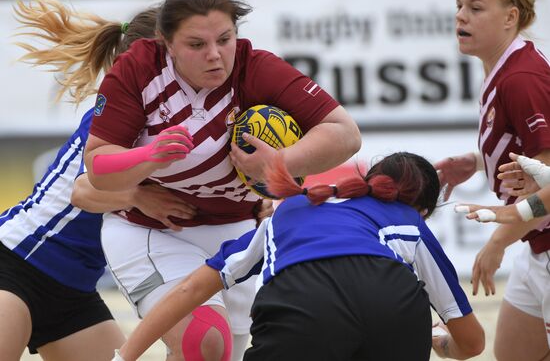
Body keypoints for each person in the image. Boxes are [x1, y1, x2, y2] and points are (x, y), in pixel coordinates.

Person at [24, 0, 360, 360]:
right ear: (165, 43)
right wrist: (146, 165)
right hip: (145, 235)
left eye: (224, 39)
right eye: (197, 45)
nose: (215, 55)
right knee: (205, 342)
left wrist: (279, 165)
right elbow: (90, 179)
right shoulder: (135, 76)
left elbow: (345, 133)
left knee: (215, 351)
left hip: (234, 236)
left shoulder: (259, 68)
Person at [6, 0, 272, 361]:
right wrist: (137, 197)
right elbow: (82, 191)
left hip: (74, 290)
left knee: (198, 344)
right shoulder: (115, 125)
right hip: (17, 262)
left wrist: (257, 200)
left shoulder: (195, 119)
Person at [111, 151, 485, 361]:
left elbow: (190, 290)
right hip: (393, 309)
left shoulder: (290, 211)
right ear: (421, 210)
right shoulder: (409, 224)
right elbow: (472, 343)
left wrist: (124, 356)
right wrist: (436, 340)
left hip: (304, 305)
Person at [434, 0, 550, 359]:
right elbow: (533, 157)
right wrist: (480, 159)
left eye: (475, 8)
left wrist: (497, 242)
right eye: (458, 6)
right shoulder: (507, 68)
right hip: (536, 244)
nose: (460, 16)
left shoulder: (521, 79)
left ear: (510, 17)